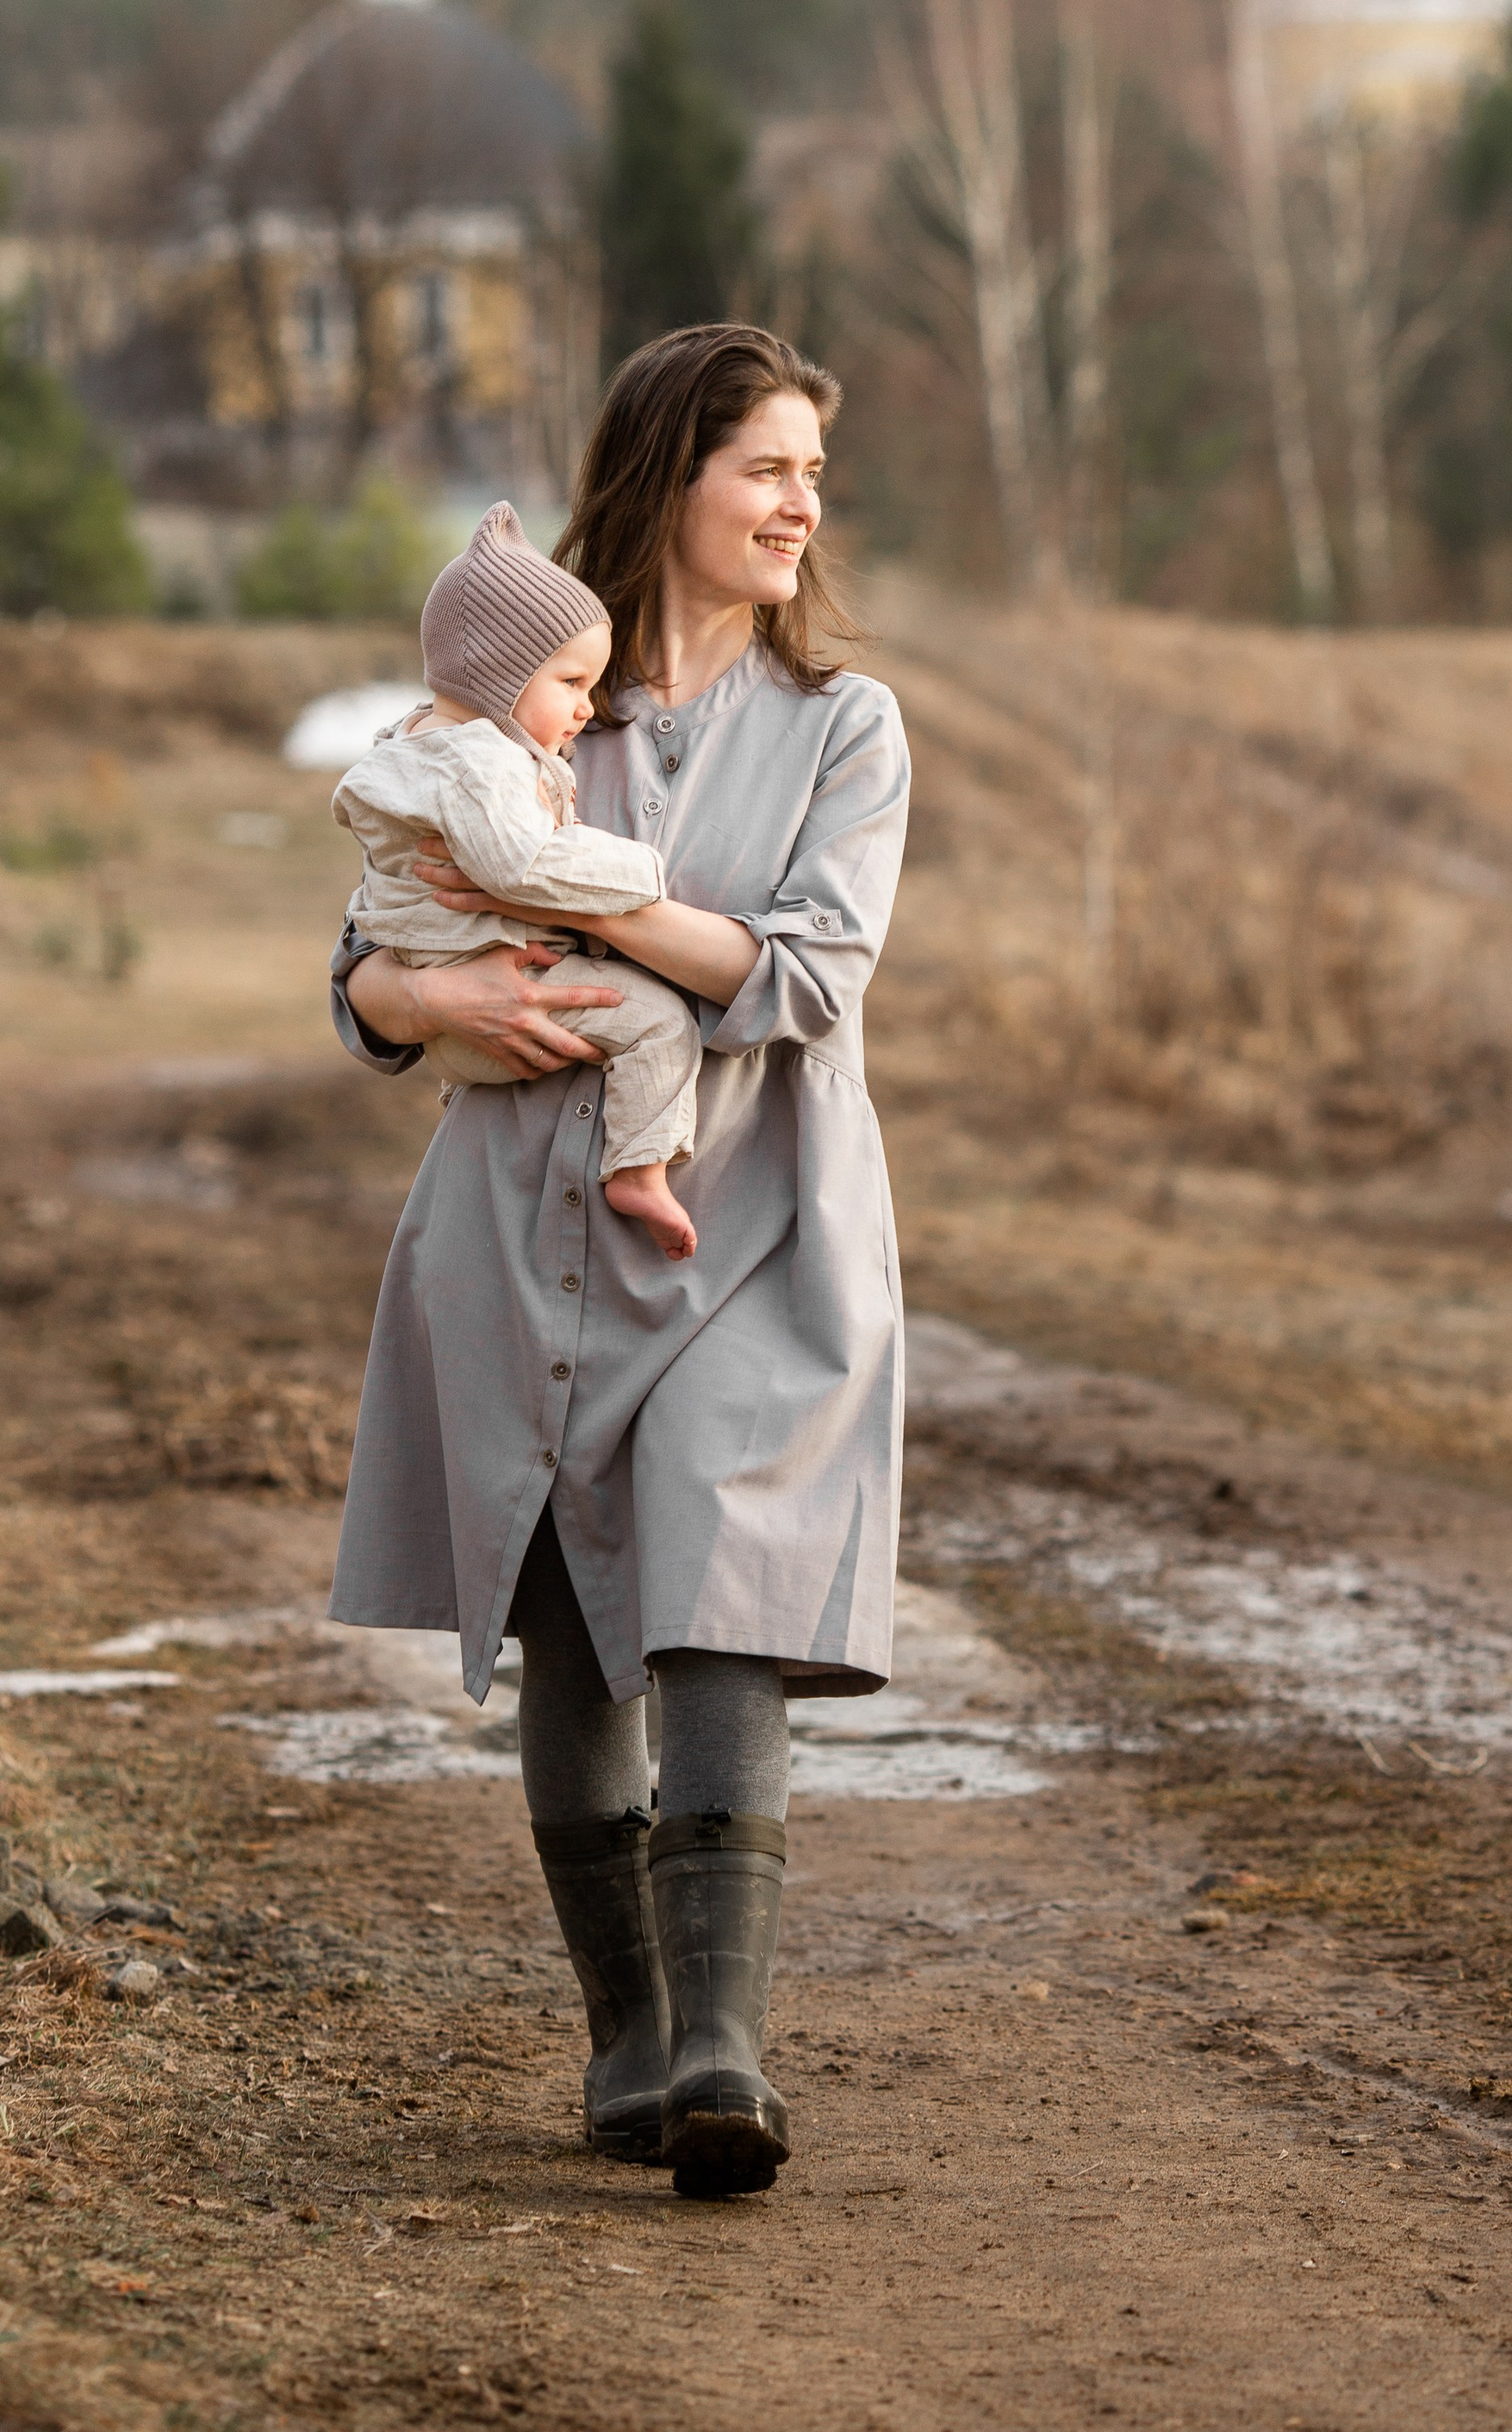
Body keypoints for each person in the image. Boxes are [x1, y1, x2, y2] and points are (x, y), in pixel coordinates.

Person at [324, 324, 910, 2199]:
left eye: (813, 472)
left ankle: (725, 2041)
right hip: (522, 1221)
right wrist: (426, 990)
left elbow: (808, 977)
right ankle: (630, 2039)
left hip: (757, 1212)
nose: (803, 504)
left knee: (721, 1568)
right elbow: (361, 965)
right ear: (668, 479)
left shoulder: (846, 727)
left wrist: (605, 912)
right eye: (768, 467)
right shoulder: (515, 712)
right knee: (573, 1618)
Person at [331, 499, 705, 1260]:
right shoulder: (480, 765)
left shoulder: (417, 744)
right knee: (662, 1023)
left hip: (449, 1018)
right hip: (487, 1004)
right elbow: (524, 867)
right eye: (570, 683)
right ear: (498, 676)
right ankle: (640, 1166)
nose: (584, 708)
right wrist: (643, 872)